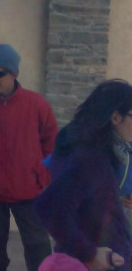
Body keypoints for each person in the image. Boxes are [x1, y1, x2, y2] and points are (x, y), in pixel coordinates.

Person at [0, 43, 57, 271]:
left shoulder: (37, 105)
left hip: (30, 194)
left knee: (38, 249)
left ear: (14, 73)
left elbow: (52, 146)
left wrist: (43, 179)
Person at [34, 80, 132, 271]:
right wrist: (90, 253)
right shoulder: (89, 157)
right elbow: (50, 208)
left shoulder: (100, 150)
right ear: (115, 117)